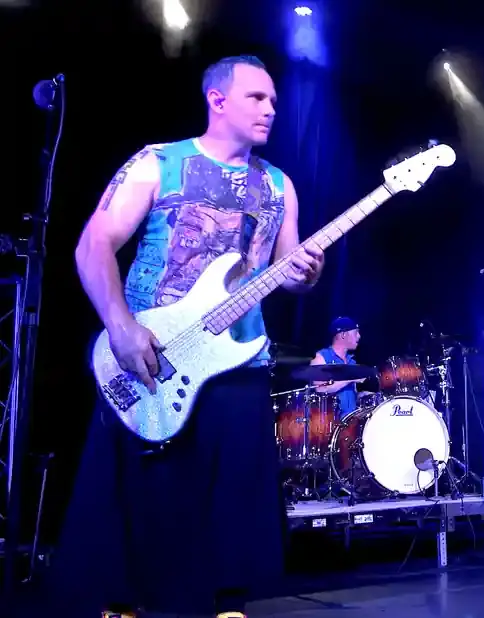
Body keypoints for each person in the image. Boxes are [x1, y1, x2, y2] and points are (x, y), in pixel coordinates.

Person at [52, 56, 324, 618]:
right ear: (217, 100)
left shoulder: (278, 185)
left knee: (230, 515)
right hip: (155, 356)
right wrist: (121, 327)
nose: (271, 109)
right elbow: (92, 245)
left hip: (239, 362)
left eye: (274, 100)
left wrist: (306, 273)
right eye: (257, 98)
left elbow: (289, 267)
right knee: (140, 503)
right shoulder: (158, 163)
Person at [311, 316, 364, 416]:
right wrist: (350, 378)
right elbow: (320, 389)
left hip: (351, 423)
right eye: (356, 332)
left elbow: (348, 396)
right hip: (331, 426)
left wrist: (363, 397)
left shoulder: (351, 361)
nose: (359, 336)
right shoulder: (321, 358)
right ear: (343, 334)